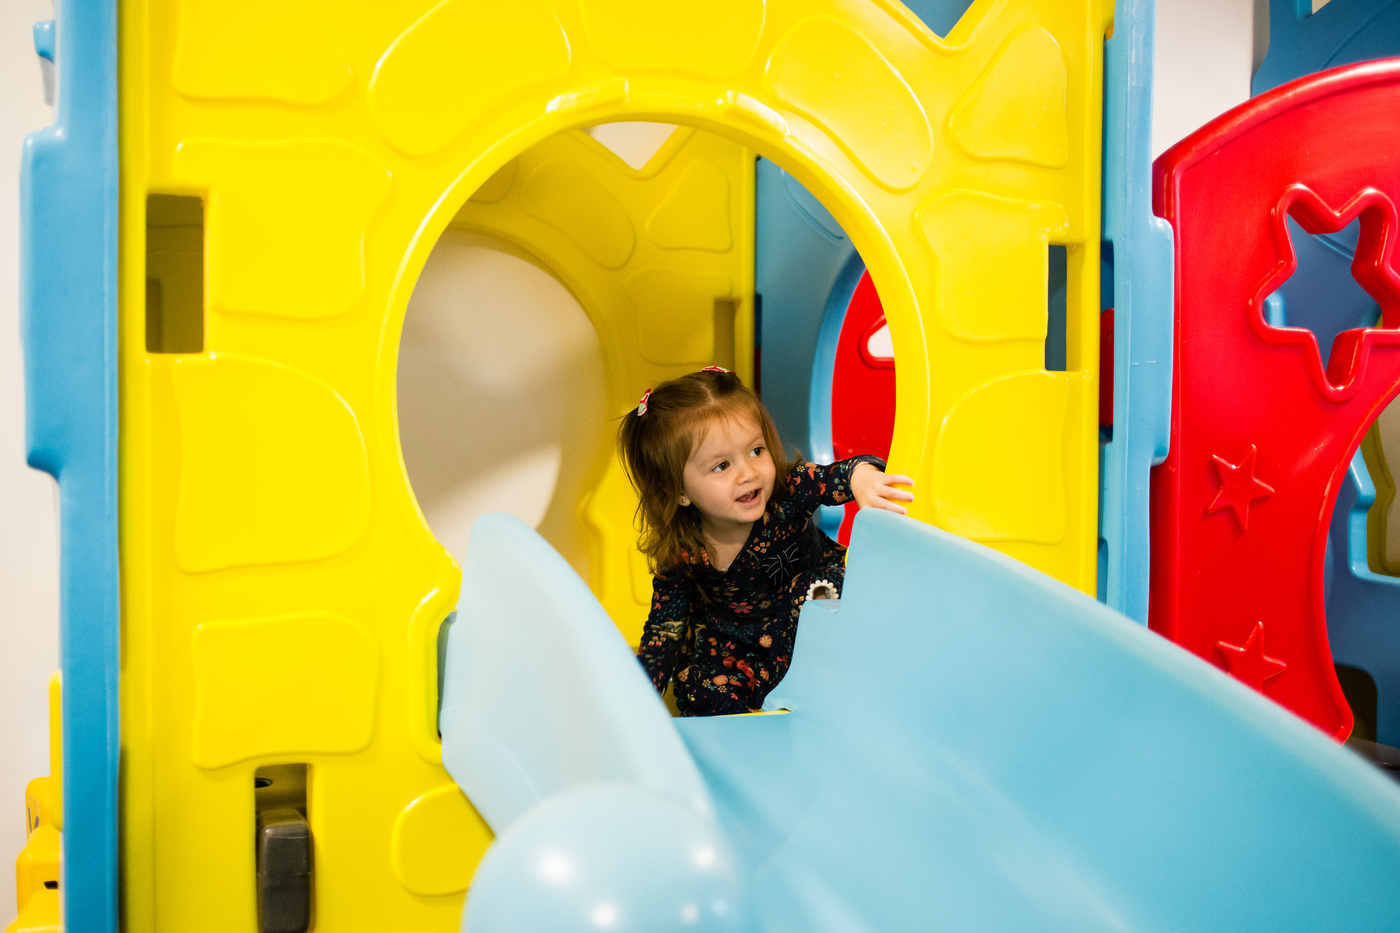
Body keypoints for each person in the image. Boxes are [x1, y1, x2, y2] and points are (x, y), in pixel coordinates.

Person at [618, 367, 914, 715]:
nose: (748, 473)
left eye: (756, 450)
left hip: (809, 623)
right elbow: (664, 631)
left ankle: (812, 687)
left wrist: (861, 477)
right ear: (678, 491)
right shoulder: (685, 549)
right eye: (721, 466)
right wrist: (636, 705)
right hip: (739, 647)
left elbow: (834, 476)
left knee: (814, 588)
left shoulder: (786, 491)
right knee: (702, 689)